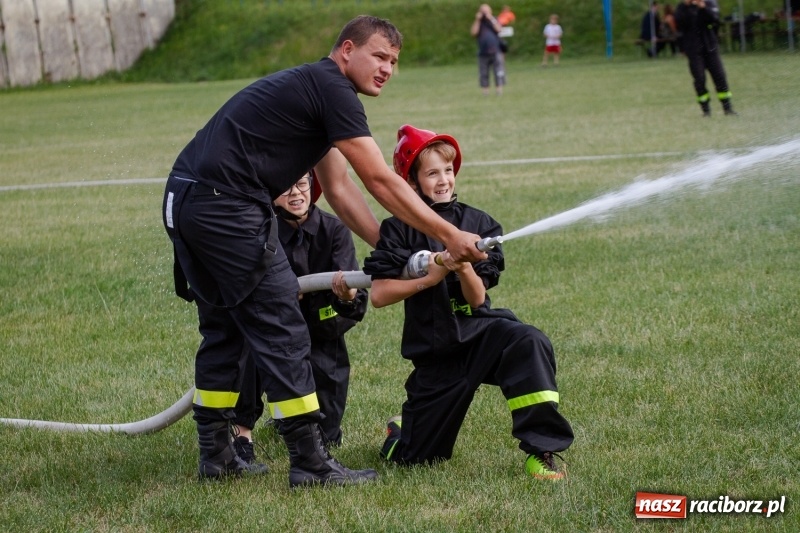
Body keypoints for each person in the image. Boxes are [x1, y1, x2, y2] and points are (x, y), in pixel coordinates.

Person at [162, 15, 487, 488]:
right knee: (283, 327)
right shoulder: (332, 88)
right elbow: (378, 179)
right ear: (347, 50)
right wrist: (449, 236)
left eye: (394, 62)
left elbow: (338, 188)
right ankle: (311, 463)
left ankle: (217, 456)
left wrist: (391, 247)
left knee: (226, 329)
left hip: (187, 202)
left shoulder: (313, 92)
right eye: (379, 56)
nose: (387, 69)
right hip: (225, 206)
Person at [363, 125, 575, 480]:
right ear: (411, 182)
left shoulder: (478, 224)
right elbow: (380, 295)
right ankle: (399, 433)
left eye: (448, 170)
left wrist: (462, 267)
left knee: (527, 340)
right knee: (417, 460)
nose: (443, 180)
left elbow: (478, 299)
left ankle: (543, 450)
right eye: (431, 173)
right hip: (436, 352)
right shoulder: (397, 228)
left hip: (479, 335)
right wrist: (428, 278)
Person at [232, 172, 368, 463]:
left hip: (322, 334)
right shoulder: (263, 233)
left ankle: (291, 420)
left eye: (302, 183)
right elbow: (243, 285)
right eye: (285, 186)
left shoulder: (334, 231)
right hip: (273, 331)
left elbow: (357, 304)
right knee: (248, 349)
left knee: (327, 436)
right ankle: (241, 433)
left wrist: (347, 296)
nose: (296, 193)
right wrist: (275, 293)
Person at [674, 0, 736, 116]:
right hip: (694, 49)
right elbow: (680, 23)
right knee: (699, 79)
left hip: (710, 47)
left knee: (720, 76)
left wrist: (702, 8)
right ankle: (706, 110)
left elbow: (715, 19)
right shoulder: (682, 7)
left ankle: (727, 108)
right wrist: (688, 7)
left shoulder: (709, 3)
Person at [470, 4, 506, 95]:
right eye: (483, 11)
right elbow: (473, 33)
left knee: (498, 71)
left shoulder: (494, 19)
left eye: (486, 11)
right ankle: (485, 91)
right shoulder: (479, 22)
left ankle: (499, 90)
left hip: (496, 50)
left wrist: (491, 19)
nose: (485, 13)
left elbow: (499, 29)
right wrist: (477, 19)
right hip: (483, 52)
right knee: (483, 72)